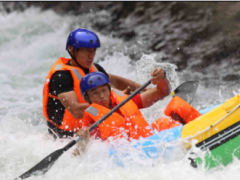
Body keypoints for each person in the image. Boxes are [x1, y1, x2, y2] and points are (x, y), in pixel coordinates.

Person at [43, 28, 148, 139]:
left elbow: (117, 81)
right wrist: (110, 103)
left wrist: (146, 89)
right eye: (87, 50)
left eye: (93, 51)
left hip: (93, 128)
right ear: (72, 50)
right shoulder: (61, 77)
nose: (91, 55)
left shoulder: (95, 69)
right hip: (65, 136)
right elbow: (76, 110)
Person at [78, 69, 181, 142]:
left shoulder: (123, 100)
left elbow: (162, 92)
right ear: (87, 99)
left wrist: (162, 78)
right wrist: (83, 141)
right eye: (95, 93)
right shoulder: (91, 120)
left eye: (104, 90)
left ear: (109, 90)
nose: (101, 96)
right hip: (123, 151)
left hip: (144, 139)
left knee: (165, 121)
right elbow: (82, 154)